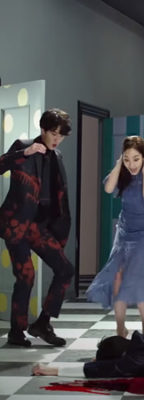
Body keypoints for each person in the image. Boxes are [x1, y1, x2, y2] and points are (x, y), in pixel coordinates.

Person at [0, 108, 74, 347]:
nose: (56, 139)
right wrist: (25, 152)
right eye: (53, 133)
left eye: (61, 135)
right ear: (43, 129)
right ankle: (16, 332)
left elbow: (58, 194)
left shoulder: (57, 156)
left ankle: (43, 323)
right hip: (17, 225)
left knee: (65, 269)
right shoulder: (23, 146)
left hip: (39, 227)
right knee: (26, 276)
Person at [86, 136, 144, 337]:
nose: (131, 164)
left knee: (137, 274)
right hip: (126, 227)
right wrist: (118, 164)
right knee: (117, 274)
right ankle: (120, 327)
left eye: (136, 159)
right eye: (127, 159)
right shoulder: (122, 171)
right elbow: (108, 188)